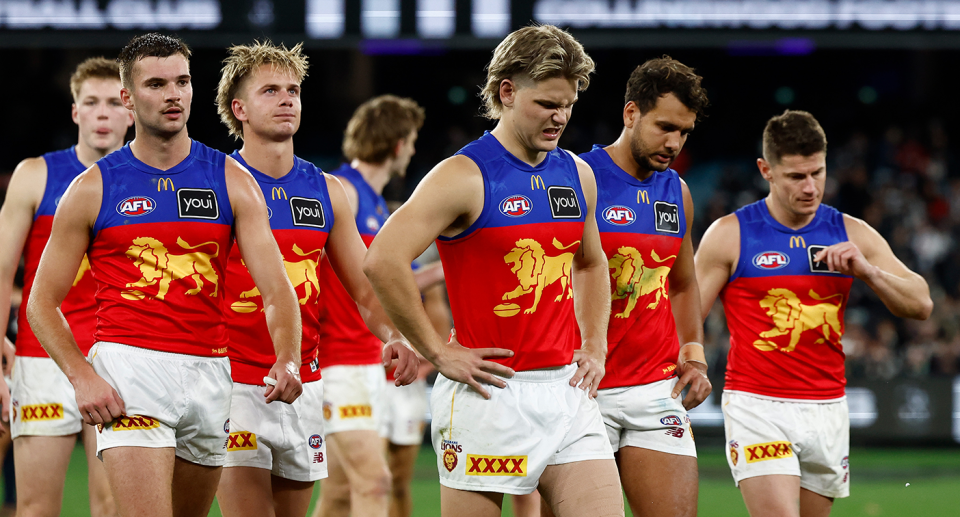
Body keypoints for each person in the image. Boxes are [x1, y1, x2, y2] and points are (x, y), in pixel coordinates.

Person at [26, 33, 303, 517]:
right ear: (129, 99)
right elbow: (40, 302)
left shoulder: (233, 181)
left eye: (182, 81)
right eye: (156, 84)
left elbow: (277, 291)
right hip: (131, 368)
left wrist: (289, 358)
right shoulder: (92, 188)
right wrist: (82, 376)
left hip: (213, 371)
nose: (173, 94)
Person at [363, 24, 624, 517]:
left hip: (567, 393)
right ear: (507, 91)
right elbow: (382, 259)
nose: (560, 117)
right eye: (547, 103)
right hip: (487, 395)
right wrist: (438, 352)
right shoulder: (461, 174)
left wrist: (594, 343)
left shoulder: (577, 173)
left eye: (567, 104)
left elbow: (590, 262)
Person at [213, 41, 418, 517]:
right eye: (270, 90)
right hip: (235, 383)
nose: (287, 99)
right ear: (238, 108)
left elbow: (364, 286)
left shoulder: (326, 190)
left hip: (306, 382)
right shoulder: (215, 182)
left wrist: (393, 333)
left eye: (293, 90)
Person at [695, 110, 933, 517]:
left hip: (827, 407)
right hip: (758, 405)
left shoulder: (849, 231)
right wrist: (691, 360)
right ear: (765, 170)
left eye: (817, 173)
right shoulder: (731, 234)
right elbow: (685, 314)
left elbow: (921, 303)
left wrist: (869, 272)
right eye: (796, 177)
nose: (810, 187)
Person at [578, 56, 712, 517]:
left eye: (685, 133)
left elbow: (683, 282)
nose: (674, 143)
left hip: (655, 388)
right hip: (580, 387)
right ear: (630, 113)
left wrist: (693, 353)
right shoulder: (577, 178)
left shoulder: (678, 192)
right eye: (665, 127)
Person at [0, 56, 132, 517]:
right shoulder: (35, 174)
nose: (102, 113)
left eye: (113, 103)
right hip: (41, 359)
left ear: (131, 109)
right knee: (35, 508)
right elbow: (0, 270)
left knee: (113, 507)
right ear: (75, 112)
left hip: (119, 358)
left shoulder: (153, 183)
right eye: (90, 102)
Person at [312, 94, 441, 517]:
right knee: (374, 481)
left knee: (339, 492)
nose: (414, 149)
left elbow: (375, 283)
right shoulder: (344, 190)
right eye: (413, 139)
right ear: (399, 143)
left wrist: (438, 272)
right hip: (337, 360)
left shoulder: (375, 202)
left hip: (367, 360)